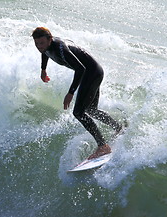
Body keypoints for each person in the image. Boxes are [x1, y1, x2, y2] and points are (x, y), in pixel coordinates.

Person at [32, 27, 123, 159]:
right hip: (93, 72)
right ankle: (118, 127)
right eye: (36, 44)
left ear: (50, 39)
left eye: (41, 43)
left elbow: (80, 69)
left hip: (91, 73)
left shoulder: (60, 48)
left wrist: (70, 93)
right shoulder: (46, 47)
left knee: (78, 112)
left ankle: (103, 146)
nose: (39, 47)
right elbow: (44, 52)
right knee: (91, 110)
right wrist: (43, 69)